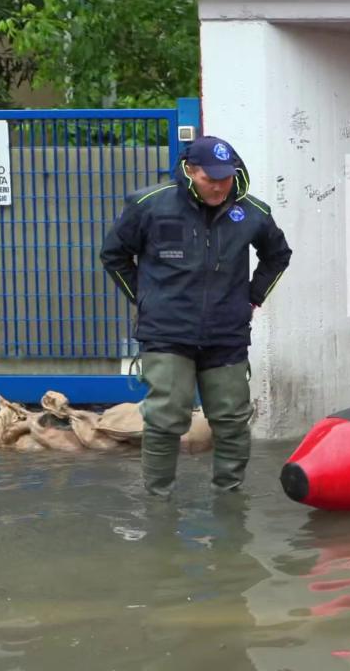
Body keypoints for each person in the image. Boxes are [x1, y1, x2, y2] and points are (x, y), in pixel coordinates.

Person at [100, 136, 293, 497]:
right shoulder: (150, 205)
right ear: (190, 172)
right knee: (166, 418)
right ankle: (159, 503)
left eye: (226, 177)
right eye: (211, 178)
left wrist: (252, 296)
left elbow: (277, 256)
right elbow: (113, 254)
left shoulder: (252, 213)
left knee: (233, 421)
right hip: (167, 333)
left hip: (226, 334)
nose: (220, 185)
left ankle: (229, 497)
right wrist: (144, 300)